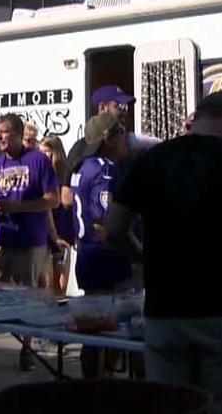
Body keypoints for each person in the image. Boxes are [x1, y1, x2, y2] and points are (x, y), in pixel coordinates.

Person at [105, 91, 222, 413]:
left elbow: (114, 229)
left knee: (170, 405)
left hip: (164, 312)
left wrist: (142, 257)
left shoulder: (150, 159)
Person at [0, 113, 60, 370]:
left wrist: (19, 206)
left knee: (28, 297)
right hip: (0, 238)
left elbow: (53, 200)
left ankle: (27, 349)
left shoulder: (38, 161)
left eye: (5, 132)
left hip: (29, 241)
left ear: (19, 133)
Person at [72, 114, 140, 378]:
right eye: (121, 131)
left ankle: (97, 388)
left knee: (94, 333)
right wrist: (136, 254)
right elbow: (105, 223)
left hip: (88, 258)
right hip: (107, 261)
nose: (126, 136)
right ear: (108, 138)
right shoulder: (104, 168)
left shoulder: (80, 166)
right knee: (124, 331)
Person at [65, 85, 135, 178]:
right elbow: (67, 191)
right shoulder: (81, 148)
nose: (124, 112)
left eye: (125, 107)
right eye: (118, 106)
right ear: (102, 108)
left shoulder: (129, 146)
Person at [36, 134, 75, 296]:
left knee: (61, 278)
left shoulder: (65, 175)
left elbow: (69, 202)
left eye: (47, 152)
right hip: (47, 233)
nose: (44, 156)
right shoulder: (40, 175)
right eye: (41, 152)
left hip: (64, 228)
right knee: (47, 281)